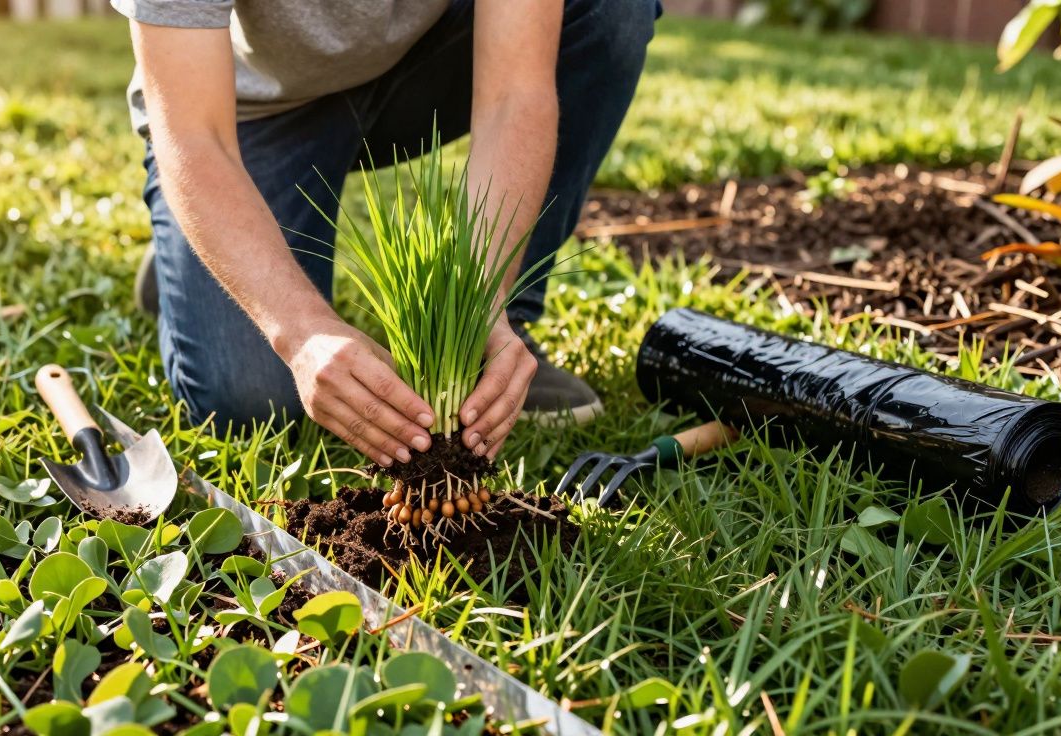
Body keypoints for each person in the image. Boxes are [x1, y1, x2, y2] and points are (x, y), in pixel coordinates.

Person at [115, 0, 659, 468]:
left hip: (424, 63)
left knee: (611, 9)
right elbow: (194, 135)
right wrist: (301, 333)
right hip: (250, 110)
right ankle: (199, 248)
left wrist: (480, 300)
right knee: (255, 398)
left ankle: (503, 342)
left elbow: (514, 95)